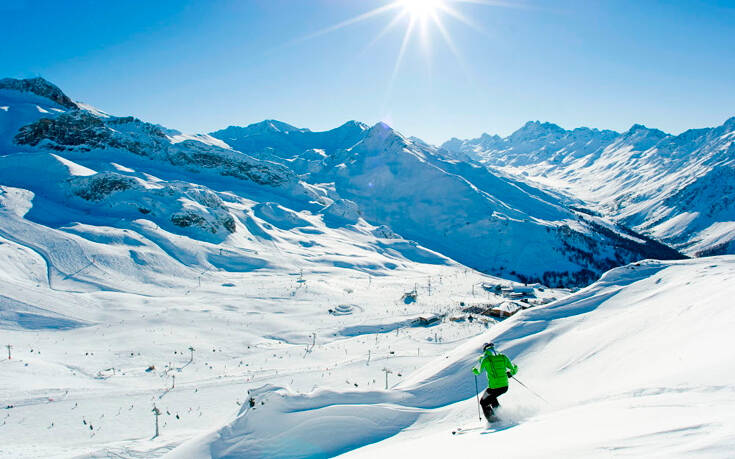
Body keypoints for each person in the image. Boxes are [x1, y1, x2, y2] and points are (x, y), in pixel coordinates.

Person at [472, 342, 518, 421]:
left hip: (493, 387)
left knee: (483, 402)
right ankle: (501, 416)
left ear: (484, 350)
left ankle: (493, 421)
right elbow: (514, 368)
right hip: (504, 386)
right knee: (492, 399)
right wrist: (510, 373)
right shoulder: (503, 357)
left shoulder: (485, 359)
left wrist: (474, 370)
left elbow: (478, 371)